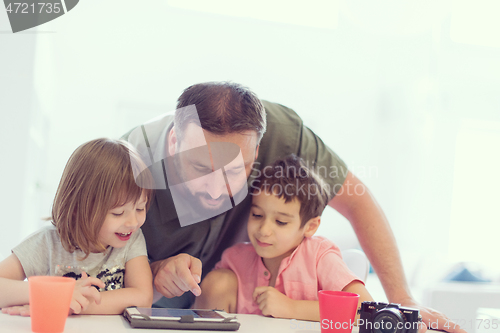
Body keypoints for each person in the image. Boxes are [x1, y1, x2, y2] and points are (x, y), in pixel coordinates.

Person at [122, 81, 465, 333]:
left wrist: (402, 298)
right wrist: (152, 272)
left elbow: (357, 201)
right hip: (147, 310)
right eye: (199, 169)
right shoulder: (127, 162)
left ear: (257, 153)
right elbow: (86, 265)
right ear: (173, 142)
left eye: (234, 171)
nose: (216, 191)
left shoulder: (282, 133)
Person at [193, 155, 373, 321]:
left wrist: (292, 308)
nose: (264, 230)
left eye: (280, 221)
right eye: (257, 215)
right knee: (216, 282)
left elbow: (365, 311)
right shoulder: (235, 260)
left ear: (310, 227)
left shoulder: (320, 256)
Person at [0, 138, 154, 316]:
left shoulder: (131, 239)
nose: (133, 222)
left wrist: (70, 304)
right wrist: (50, 295)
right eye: (118, 213)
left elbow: (143, 298)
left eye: (140, 208)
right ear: (76, 208)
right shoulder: (47, 242)